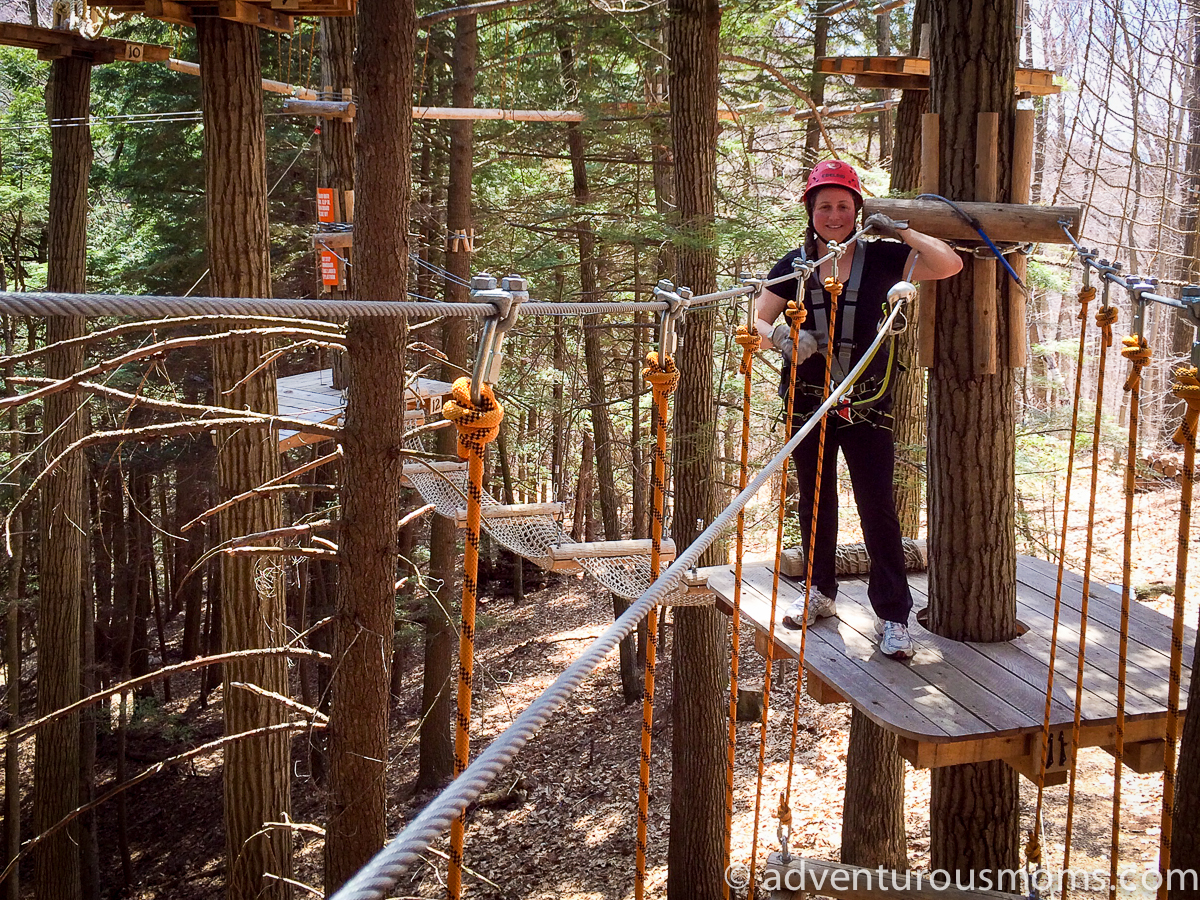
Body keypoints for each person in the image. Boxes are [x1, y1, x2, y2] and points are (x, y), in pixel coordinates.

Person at [756, 160, 962, 660]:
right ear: (810, 211)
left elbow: (948, 264)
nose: (834, 215)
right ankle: (820, 592)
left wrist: (903, 229)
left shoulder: (887, 258)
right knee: (815, 501)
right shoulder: (795, 265)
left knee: (877, 507)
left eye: (843, 206)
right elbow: (757, 319)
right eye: (824, 206)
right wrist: (783, 337)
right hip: (809, 402)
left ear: (857, 210)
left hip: (869, 402)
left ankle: (893, 615)